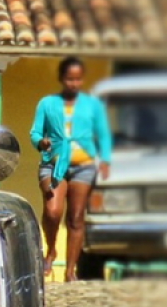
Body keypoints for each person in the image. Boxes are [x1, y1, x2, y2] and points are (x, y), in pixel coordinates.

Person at [31, 56, 112, 281]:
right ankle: (51, 248)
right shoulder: (47, 104)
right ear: (61, 78)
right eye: (69, 79)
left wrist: (104, 160)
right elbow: (35, 132)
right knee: (53, 211)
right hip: (53, 164)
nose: (73, 84)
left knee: (76, 217)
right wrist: (41, 142)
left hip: (83, 166)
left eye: (77, 80)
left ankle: (69, 270)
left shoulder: (91, 105)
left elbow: (103, 134)